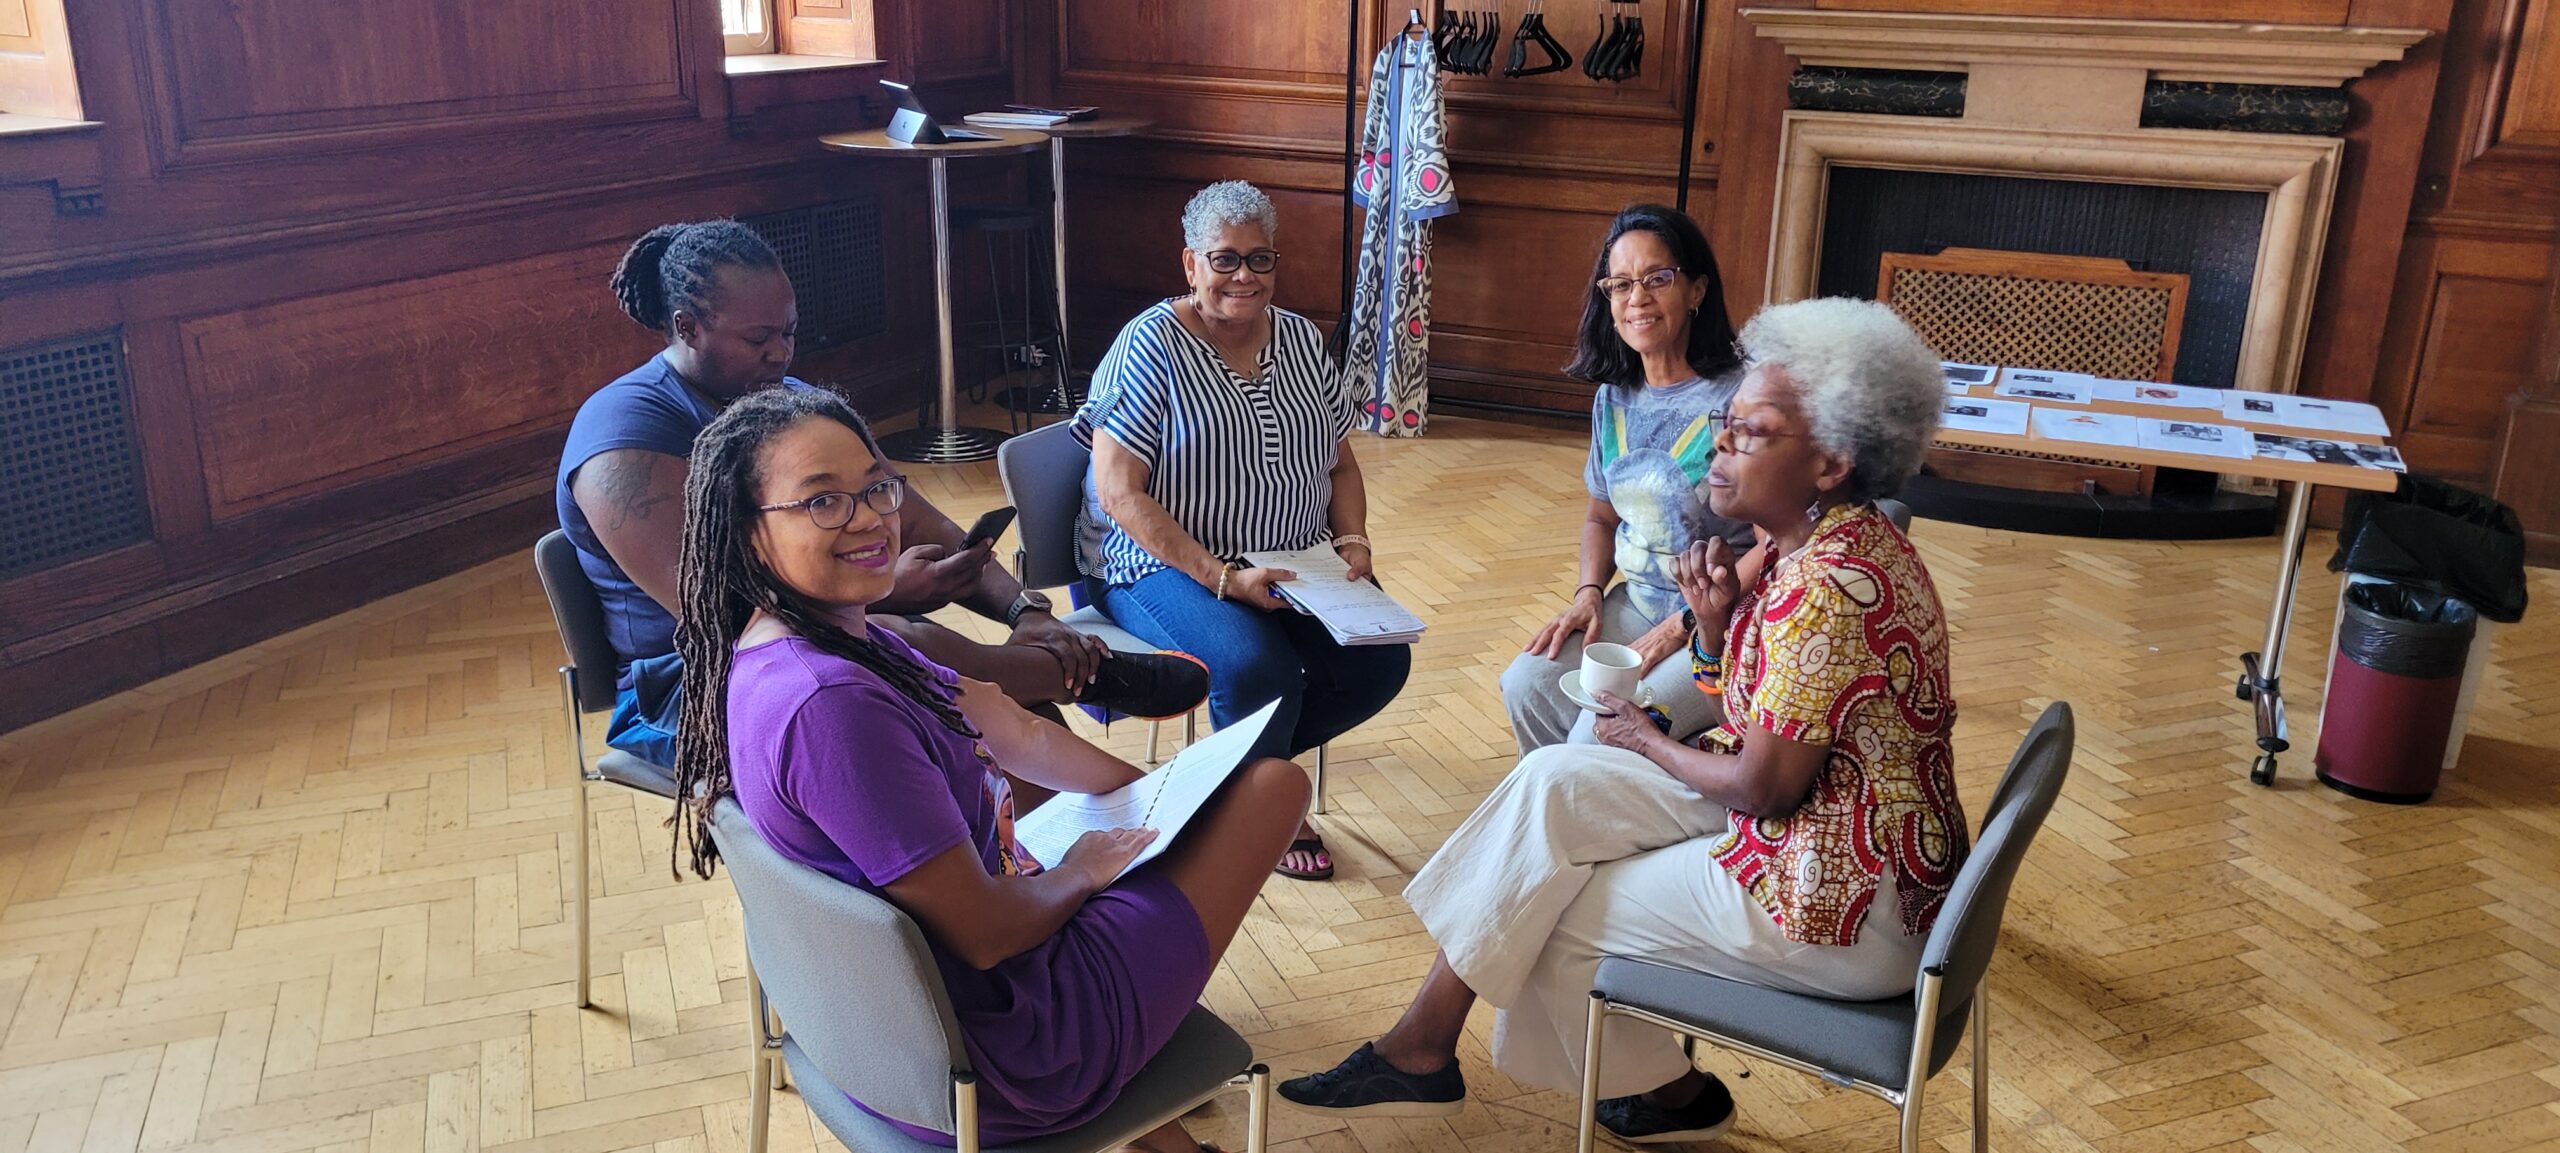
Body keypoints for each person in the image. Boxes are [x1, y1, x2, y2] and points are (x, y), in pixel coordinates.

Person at [1278, 298, 1963, 1146]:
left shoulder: (1827, 588)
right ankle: (1433, 1049)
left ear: (1831, 460)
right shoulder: (1820, 544)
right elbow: (1770, 719)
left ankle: (1647, 1089)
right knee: (1552, 781)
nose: (1721, 446)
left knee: (1552, 907)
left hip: (1840, 900)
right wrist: (1711, 631)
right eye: (1728, 421)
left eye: (1752, 432)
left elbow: (1761, 784)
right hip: (1837, 835)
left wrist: (1647, 737)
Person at [666, 387, 1306, 1153]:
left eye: (876, 485)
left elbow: (1016, 735)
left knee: (1152, 827)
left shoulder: (812, 639)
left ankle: (1166, 1137)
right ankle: (1132, 1063)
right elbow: (986, 934)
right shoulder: (832, 705)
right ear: (745, 534)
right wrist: (1076, 872)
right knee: (1275, 786)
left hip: (881, 1027)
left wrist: (1147, 796)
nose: (869, 517)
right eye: (823, 502)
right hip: (1008, 1052)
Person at [557, 220, 1207, 768]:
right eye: (759, 339)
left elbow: (911, 513)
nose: (781, 354)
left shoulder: (787, 403)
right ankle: (1082, 679)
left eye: (789, 332)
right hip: (691, 688)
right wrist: (888, 588)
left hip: (827, 636)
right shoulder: (623, 436)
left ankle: (1076, 829)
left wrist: (1024, 611)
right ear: (688, 326)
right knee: (903, 645)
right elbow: (719, 609)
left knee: (979, 692)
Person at [1073, 181, 1411, 881]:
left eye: (1261, 260)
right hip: (1153, 565)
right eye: (1225, 260)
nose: (1245, 277)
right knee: (1260, 669)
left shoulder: (1301, 340)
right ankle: (1268, 804)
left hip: (1294, 560)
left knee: (1381, 659)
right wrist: (1222, 577)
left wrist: (1353, 542)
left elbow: (1341, 465)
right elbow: (1117, 491)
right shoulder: (1152, 345)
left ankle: (1236, 773)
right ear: (1190, 264)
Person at [1500, 204, 1765, 756]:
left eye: (1657, 279)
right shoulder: (1613, 398)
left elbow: (1775, 546)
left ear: (1696, 291)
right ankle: (1571, 821)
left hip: (1722, 620)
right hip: (1635, 603)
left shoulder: (1742, 397)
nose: (1637, 297)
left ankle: (1604, 819)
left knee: (1596, 735)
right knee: (1526, 684)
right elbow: (1601, 516)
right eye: (1621, 284)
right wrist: (1588, 593)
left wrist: (1683, 626)